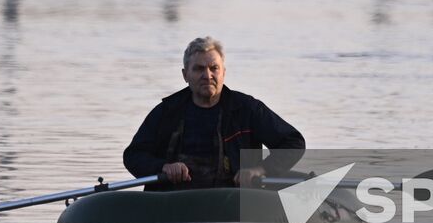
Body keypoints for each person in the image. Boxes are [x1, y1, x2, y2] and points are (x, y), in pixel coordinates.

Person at [124, 36, 305, 190]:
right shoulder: (167, 112)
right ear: (185, 75)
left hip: (233, 201)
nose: (207, 75)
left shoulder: (247, 109)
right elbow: (133, 156)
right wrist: (164, 167)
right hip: (174, 203)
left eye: (214, 68)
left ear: (223, 73)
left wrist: (260, 170)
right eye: (199, 69)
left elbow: (293, 142)